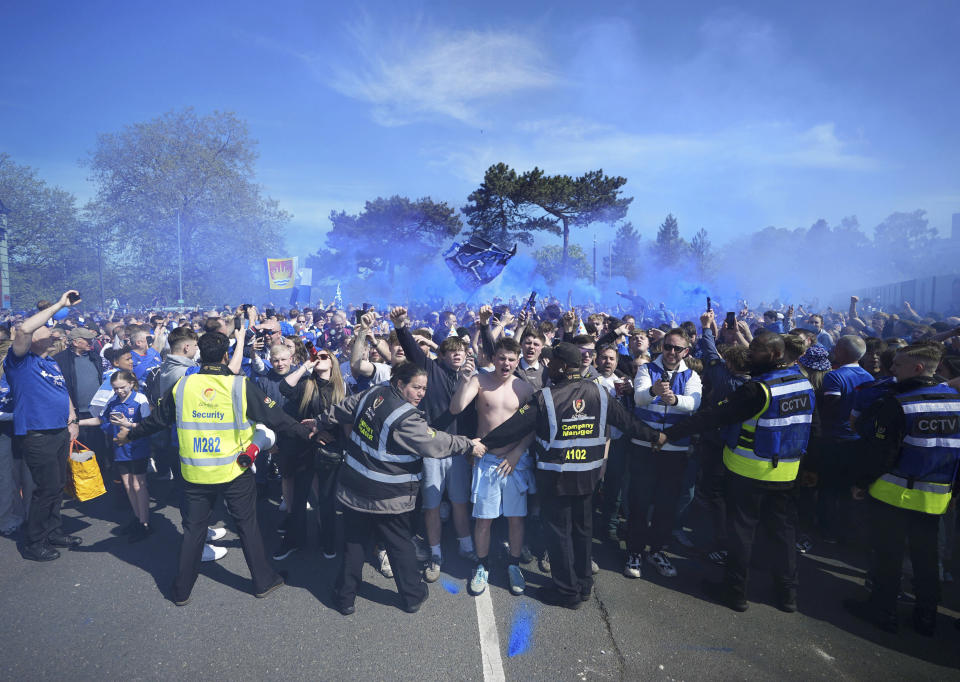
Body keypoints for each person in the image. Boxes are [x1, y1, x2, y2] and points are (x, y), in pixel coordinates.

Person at [117, 332, 316, 605]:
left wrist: (131, 434)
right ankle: (263, 581)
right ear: (225, 356)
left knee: (193, 530)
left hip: (195, 472)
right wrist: (310, 435)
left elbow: (157, 420)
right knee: (247, 526)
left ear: (200, 353)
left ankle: (181, 590)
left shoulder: (183, 386)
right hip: (234, 470)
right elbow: (277, 418)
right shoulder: (239, 385)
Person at [481, 342, 660, 609]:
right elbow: (628, 423)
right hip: (588, 477)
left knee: (559, 534)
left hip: (556, 478)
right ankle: (584, 585)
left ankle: (566, 591)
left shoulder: (546, 397)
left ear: (563, 366)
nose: (549, 366)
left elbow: (513, 427)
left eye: (552, 362)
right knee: (582, 531)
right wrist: (656, 436)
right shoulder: (600, 392)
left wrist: (483, 442)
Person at [656, 332, 816, 613]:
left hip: (749, 473)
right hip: (787, 474)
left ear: (776, 355)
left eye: (756, 349)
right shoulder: (802, 382)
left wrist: (670, 433)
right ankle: (787, 594)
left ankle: (734, 592)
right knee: (783, 535)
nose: (749, 353)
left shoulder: (758, 390)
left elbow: (713, 416)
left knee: (741, 535)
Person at [317, 362, 485, 615]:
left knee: (354, 545)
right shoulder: (405, 417)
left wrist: (318, 422)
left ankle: (345, 598)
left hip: (354, 489)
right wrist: (468, 445)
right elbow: (434, 444)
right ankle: (413, 596)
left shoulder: (373, 394)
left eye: (424, 388)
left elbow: (343, 409)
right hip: (388, 497)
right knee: (400, 545)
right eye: (416, 387)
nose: (421, 393)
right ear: (399, 384)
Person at [844, 341, 960, 636]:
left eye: (897, 364)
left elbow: (882, 453)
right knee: (926, 559)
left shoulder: (900, 403)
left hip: (894, 495)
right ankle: (926, 617)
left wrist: (861, 482)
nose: (890, 368)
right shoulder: (955, 401)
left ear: (917, 368)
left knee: (888, 556)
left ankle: (883, 612)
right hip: (935, 497)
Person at [390, 306, 477, 583]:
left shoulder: (473, 378)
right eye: (451, 350)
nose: (457, 353)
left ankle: (466, 547)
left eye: (461, 350)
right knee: (431, 505)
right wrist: (402, 326)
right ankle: (436, 554)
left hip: (460, 450)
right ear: (441, 354)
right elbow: (414, 351)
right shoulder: (430, 369)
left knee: (461, 503)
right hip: (432, 449)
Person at [449, 337, 534, 596]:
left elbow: (532, 427)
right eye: (501, 358)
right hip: (486, 461)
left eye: (511, 359)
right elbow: (456, 408)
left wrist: (517, 454)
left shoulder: (525, 389)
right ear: (494, 359)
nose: (505, 363)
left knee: (516, 519)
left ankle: (513, 565)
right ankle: (482, 566)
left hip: (514, 462)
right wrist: (464, 381)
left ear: (517, 361)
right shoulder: (479, 381)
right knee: (484, 519)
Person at [4, 290, 83, 561]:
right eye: (45, 329)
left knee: (58, 484)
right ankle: (34, 541)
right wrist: (60, 304)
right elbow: (25, 328)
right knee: (45, 488)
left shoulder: (49, 362)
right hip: (37, 434)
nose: (52, 333)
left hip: (59, 430)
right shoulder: (20, 362)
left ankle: (54, 530)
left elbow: (63, 394)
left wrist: (72, 420)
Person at [625, 328, 702, 579]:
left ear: (686, 351)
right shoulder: (647, 370)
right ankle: (634, 552)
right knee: (639, 502)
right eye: (667, 346)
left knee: (666, 505)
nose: (670, 352)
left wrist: (674, 401)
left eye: (677, 348)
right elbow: (638, 398)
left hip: (674, 451)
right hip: (644, 447)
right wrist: (653, 392)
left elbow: (694, 403)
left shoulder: (692, 375)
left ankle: (657, 550)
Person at [274, 344, 347, 560]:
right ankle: (294, 541)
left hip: (329, 449)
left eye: (323, 356)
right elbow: (284, 388)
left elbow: (348, 419)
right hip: (303, 447)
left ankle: (328, 542)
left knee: (326, 499)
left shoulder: (342, 388)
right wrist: (306, 364)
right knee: (299, 498)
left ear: (332, 361)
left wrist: (329, 433)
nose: (318, 358)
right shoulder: (306, 384)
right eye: (316, 356)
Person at [78, 370, 153, 541]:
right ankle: (137, 518)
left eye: (122, 387)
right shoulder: (112, 401)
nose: (119, 391)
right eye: (115, 388)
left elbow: (148, 425)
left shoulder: (140, 399)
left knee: (138, 484)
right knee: (127, 484)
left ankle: (145, 523)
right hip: (120, 448)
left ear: (131, 384)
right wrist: (77, 422)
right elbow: (100, 420)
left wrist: (129, 424)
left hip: (137, 447)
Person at [818, 335, 873, 543]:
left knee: (829, 488)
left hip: (835, 439)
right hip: (857, 440)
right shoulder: (868, 377)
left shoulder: (834, 377)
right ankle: (846, 531)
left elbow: (830, 406)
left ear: (840, 351)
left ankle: (828, 531)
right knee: (847, 489)